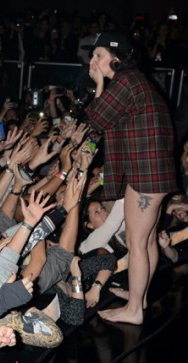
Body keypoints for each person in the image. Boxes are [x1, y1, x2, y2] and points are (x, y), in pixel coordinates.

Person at [83, 30, 178, 324]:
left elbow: (97, 119)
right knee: (147, 241)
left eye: (98, 55)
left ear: (116, 58)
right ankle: (141, 297)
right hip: (153, 172)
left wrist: (98, 84)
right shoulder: (134, 81)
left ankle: (134, 310)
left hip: (147, 174)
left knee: (137, 243)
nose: (93, 60)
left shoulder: (125, 80)